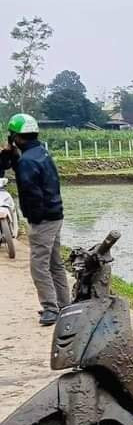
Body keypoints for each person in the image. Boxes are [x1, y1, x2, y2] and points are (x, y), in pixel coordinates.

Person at [2, 114, 70, 325]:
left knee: (39, 265)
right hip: (55, 215)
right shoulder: (40, 153)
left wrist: (35, 219)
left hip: (43, 220)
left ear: (16, 137)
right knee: (54, 262)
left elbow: (32, 194)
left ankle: (51, 309)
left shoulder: (28, 161)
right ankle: (64, 305)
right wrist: (12, 155)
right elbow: (20, 167)